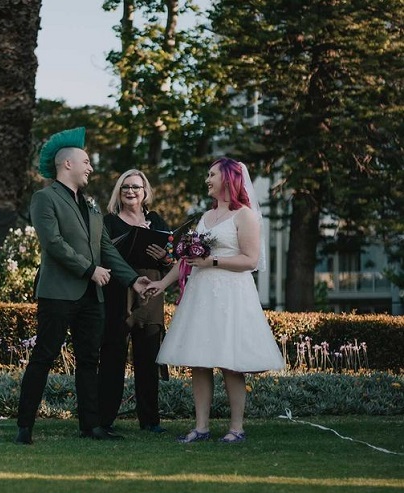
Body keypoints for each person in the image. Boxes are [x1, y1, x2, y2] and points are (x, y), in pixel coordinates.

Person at [15, 127, 151, 444]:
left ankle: (91, 427)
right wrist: (90, 270)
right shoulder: (44, 198)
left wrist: (133, 278)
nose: (90, 168)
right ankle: (25, 427)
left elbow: (107, 249)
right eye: (86, 162)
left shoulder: (91, 205)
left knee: (90, 362)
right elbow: (53, 243)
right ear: (68, 165)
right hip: (58, 294)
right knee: (43, 357)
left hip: (93, 298)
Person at [146, 157, 285, 443]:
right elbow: (187, 261)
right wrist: (162, 283)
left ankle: (236, 428)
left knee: (230, 361)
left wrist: (213, 261)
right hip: (201, 293)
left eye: (212, 175)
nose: (207, 180)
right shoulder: (205, 218)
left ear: (228, 178)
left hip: (232, 293)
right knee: (199, 360)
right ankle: (201, 427)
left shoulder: (244, 215)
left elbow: (250, 259)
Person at [98, 169, 172, 434]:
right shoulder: (108, 223)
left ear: (145, 192)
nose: (131, 191)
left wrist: (164, 257)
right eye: (126, 187)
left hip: (151, 292)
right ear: (119, 191)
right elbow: (102, 257)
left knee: (148, 359)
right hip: (118, 294)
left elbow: (172, 261)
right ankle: (103, 420)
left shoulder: (156, 220)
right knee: (112, 358)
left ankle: (150, 421)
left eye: (136, 187)